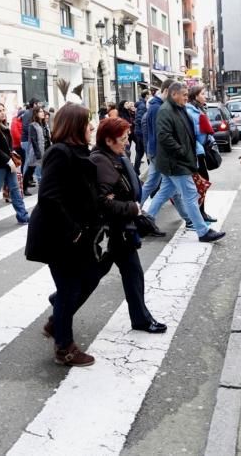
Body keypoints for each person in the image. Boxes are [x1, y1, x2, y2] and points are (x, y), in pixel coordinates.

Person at [25, 103, 103, 366]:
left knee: (90, 278)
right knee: (70, 288)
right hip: (59, 235)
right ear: (75, 127)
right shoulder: (60, 152)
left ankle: (56, 318)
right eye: (87, 123)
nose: (91, 127)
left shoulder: (80, 151)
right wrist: (75, 232)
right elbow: (48, 197)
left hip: (77, 233)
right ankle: (64, 348)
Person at [87, 117, 166, 333]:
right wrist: (131, 208)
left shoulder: (115, 156)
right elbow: (102, 201)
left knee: (132, 274)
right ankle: (60, 308)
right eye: (123, 138)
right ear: (109, 140)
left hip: (121, 230)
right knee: (91, 278)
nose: (127, 141)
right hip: (112, 232)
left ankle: (141, 318)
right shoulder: (100, 161)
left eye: (127, 136)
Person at [143, 83, 226, 243]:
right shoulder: (166, 111)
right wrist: (182, 152)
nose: (187, 98)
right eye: (184, 95)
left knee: (165, 192)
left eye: (187, 95)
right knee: (190, 194)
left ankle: (148, 221)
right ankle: (203, 231)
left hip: (175, 161)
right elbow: (164, 137)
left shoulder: (178, 109)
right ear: (174, 94)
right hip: (175, 162)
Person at [140, 80, 190, 226]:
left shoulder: (156, 106)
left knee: (164, 186)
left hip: (156, 152)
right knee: (168, 187)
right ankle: (140, 213)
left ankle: (142, 214)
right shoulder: (157, 107)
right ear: (168, 91)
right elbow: (161, 134)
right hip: (159, 153)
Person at [0, 102, 30, 223]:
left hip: (8, 164)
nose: (3, 113)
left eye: (4, 110)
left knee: (15, 189)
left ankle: (22, 215)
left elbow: (7, 146)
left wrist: (12, 155)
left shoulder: (4, 126)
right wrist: (9, 160)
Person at [187, 86, 217, 223]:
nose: (205, 96)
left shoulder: (198, 109)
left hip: (200, 149)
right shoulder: (191, 111)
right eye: (203, 94)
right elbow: (192, 135)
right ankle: (199, 214)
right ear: (195, 96)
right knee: (201, 182)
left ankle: (198, 213)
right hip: (196, 151)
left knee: (199, 183)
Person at [26, 106, 51, 190]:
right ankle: (24, 186)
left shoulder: (44, 124)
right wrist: (37, 153)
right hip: (36, 151)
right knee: (30, 169)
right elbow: (33, 140)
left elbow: (47, 137)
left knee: (45, 168)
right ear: (36, 114)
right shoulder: (33, 125)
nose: (42, 113)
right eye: (40, 112)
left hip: (46, 149)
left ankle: (46, 185)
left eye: (42, 111)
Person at [133, 90, 149, 175]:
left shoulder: (141, 105)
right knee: (145, 152)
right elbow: (139, 119)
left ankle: (136, 169)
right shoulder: (143, 106)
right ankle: (137, 170)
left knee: (140, 152)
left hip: (139, 132)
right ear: (146, 96)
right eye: (149, 94)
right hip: (141, 133)